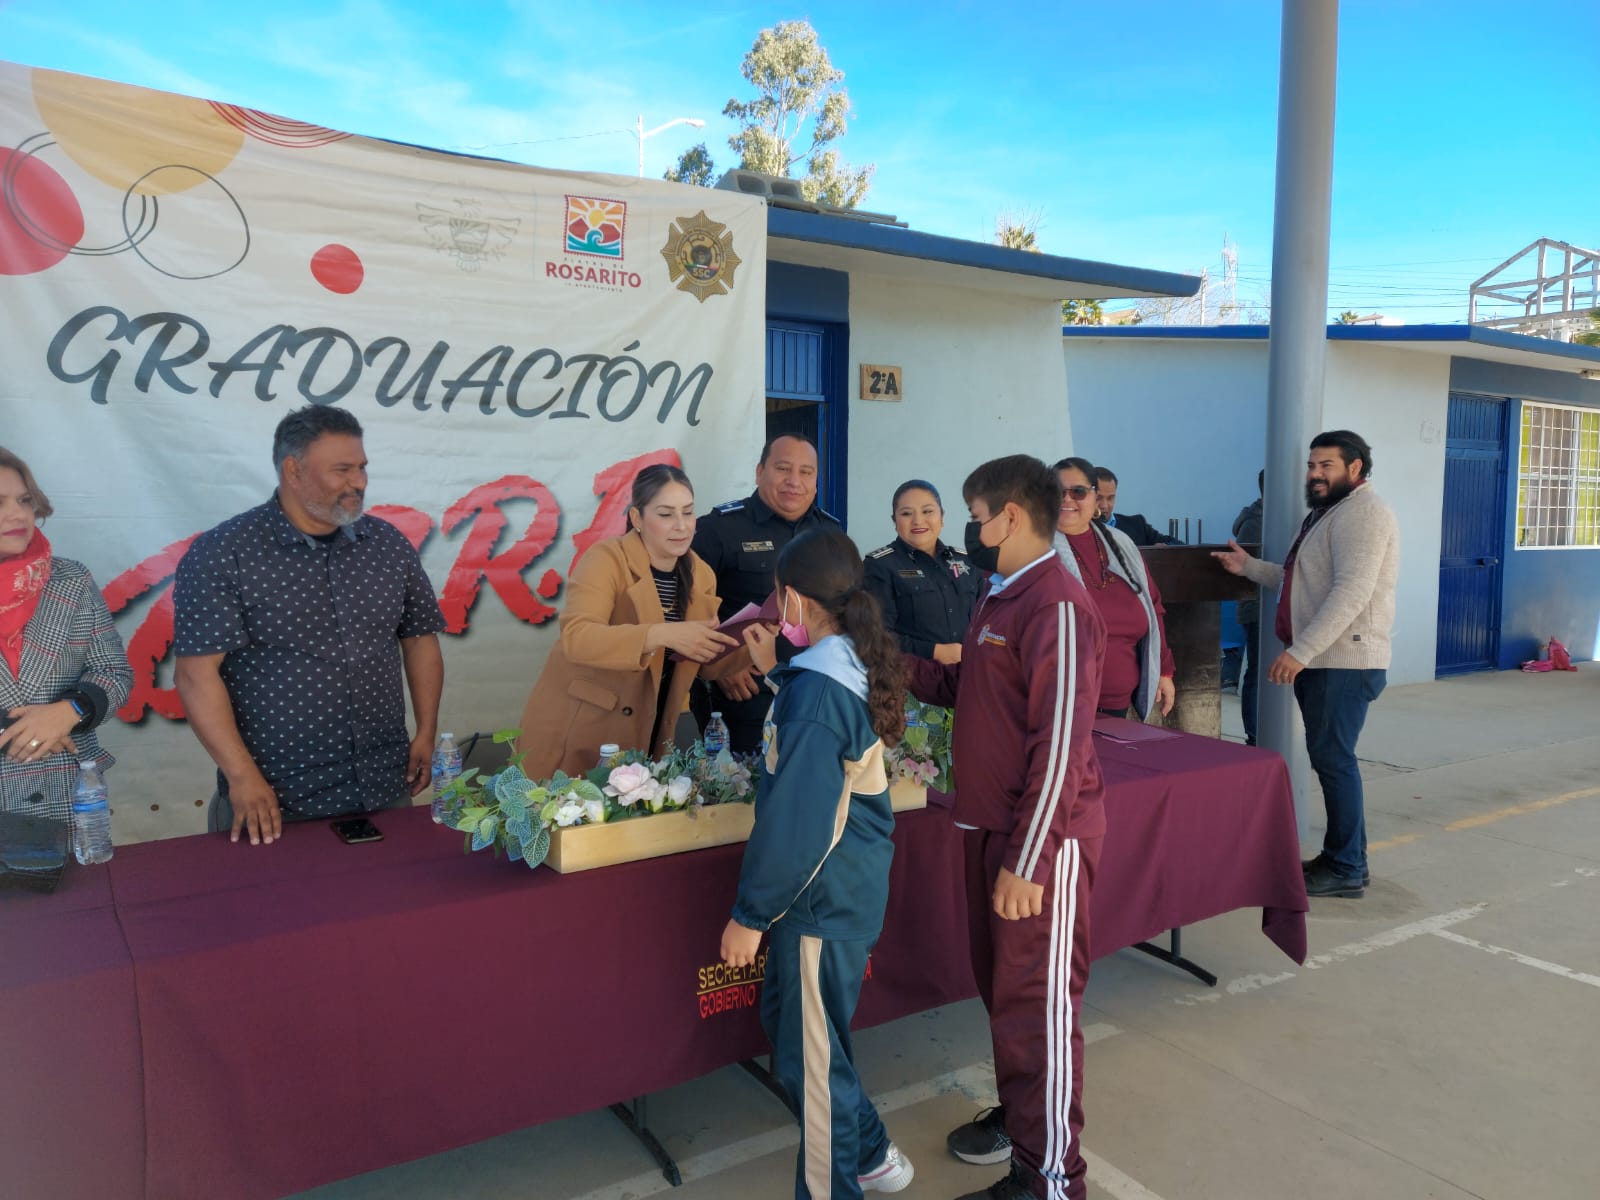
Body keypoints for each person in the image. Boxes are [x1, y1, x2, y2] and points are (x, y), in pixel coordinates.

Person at [903, 455, 1105, 1200]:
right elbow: (966, 686)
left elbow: (1060, 747)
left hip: (1036, 846)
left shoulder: (1054, 604)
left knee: (1038, 1017)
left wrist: (1028, 858)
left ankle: (1054, 1182)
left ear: (1009, 517)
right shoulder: (1000, 592)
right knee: (1011, 1012)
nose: (969, 530)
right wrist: (883, 660)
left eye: (974, 515)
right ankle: (1029, 1160)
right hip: (993, 832)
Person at [722, 526, 915, 1197]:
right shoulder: (833, 670)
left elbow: (799, 825)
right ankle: (872, 1153)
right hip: (838, 894)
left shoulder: (817, 694)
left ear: (795, 602)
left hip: (818, 899)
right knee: (805, 1042)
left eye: (779, 600)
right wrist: (782, 671)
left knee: (812, 1068)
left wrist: (749, 915)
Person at [174, 406, 446, 846]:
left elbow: (419, 639)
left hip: (384, 787)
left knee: (395, 910)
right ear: (293, 470)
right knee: (276, 915)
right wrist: (241, 776)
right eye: (341, 469)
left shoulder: (388, 545)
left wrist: (426, 731)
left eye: (361, 467)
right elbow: (195, 675)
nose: (358, 482)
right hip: (275, 800)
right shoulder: (226, 552)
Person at [1213, 431, 1399, 899]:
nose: (1315, 474)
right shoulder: (1329, 513)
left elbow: (1350, 594)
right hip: (1328, 659)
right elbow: (1302, 581)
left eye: (1327, 466)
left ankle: (1346, 866)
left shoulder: (1364, 516)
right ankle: (1346, 859)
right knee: (1330, 759)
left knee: (1335, 761)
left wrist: (1301, 652)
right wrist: (1250, 568)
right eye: (1313, 465)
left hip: (1343, 661)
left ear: (1355, 468)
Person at [516, 464, 743, 779]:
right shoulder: (605, 559)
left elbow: (700, 664)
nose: (681, 526)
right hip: (580, 730)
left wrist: (749, 642)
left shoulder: (701, 573)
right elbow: (577, 637)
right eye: (666, 515)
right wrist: (661, 634)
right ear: (637, 518)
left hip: (649, 730)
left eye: (688, 513)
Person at [0, 449, 132, 825]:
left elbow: (115, 673)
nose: (18, 514)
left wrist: (70, 711)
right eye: (0, 503)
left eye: (25, 500)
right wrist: (19, 729)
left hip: (69, 799)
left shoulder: (70, 580)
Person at [690, 433, 842, 753]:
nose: (794, 482)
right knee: (743, 796)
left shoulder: (830, 532)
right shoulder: (718, 529)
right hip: (744, 697)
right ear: (760, 472)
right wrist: (719, 669)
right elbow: (688, 607)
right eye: (783, 468)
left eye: (806, 472)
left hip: (813, 693)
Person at [1054, 458, 1175, 721]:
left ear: (1095, 496)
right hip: (1059, 708)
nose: (1067, 499)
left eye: (1078, 491)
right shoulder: (1033, 548)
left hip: (1118, 708)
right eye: (1056, 491)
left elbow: (1153, 607)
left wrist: (1164, 670)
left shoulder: (1122, 545)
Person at [862, 479, 983, 665]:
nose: (918, 520)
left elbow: (988, 622)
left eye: (927, 511)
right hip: (914, 681)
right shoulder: (880, 566)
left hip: (968, 675)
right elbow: (876, 637)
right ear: (894, 521)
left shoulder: (967, 561)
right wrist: (935, 651)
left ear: (942, 517)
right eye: (906, 513)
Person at [1232, 470, 1265, 745]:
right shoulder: (1255, 522)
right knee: (1256, 671)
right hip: (1256, 609)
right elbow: (1247, 570)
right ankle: (1254, 734)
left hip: (1273, 607)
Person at [1091, 466, 1182, 546]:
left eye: (1110, 498)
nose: (1104, 505)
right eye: (1098, 498)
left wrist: (1164, 547)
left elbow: (1179, 546)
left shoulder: (1137, 524)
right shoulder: (1079, 529)